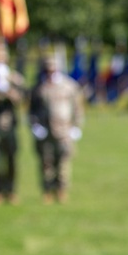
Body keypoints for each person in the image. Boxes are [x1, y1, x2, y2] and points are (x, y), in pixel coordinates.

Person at [28, 54, 84, 204]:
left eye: (53, 69)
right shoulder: (39, 88)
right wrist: (35, 126)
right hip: (45, 131)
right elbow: (31, 110)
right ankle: (47, 191)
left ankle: (61, 190)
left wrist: (76, 127)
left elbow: (77, 109)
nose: (50, 72)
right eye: (47, 70)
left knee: (63, 163)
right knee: (46, 163)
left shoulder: (69, 86)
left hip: (64, 131)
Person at [0, 43, 27, 204]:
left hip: (10, 125)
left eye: (1, 56)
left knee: (11, 159)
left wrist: (8, 88)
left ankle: (11, 190)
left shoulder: (14, 77)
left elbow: (21, 98)